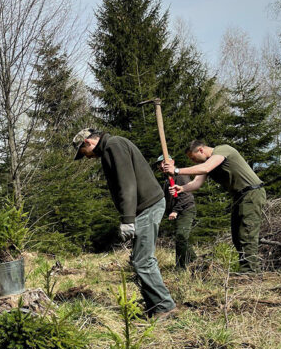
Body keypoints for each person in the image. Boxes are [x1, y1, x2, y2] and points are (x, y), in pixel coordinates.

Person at [73, 128, 176, 317]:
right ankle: (154, 306)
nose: (86, 157)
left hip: (148, 206)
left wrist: (128, 220)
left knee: (143, 261)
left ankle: (165, 308)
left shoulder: (114, 146)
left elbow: (127, 183)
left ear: (87, 142)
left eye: (83, 152)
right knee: (140, 259)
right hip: (144, 208)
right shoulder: (111, 147)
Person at [162, 141, 266, 274]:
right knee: (237, 236)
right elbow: (196, 182)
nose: (193, 161)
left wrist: (176, 170)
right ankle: (247, 269)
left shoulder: (222, 150)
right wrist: (182, 188)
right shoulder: (207, 163)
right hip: (239, 196)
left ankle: (250, 272)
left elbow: (205, 168)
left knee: (247, 233)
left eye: (193, 158)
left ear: (201, 150)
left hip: (251, 193)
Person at [157, 155, 196, 270]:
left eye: (164, 162)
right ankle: (195, 261)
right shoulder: (167, 179)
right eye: (159, 164)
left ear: (172, 162)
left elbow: (186, 197)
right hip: (178, 212)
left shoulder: (180, 176)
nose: (161, 166)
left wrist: (175, 211)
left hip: (185, 210)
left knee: (181, 237)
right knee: (181, 238)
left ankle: (180, 268)